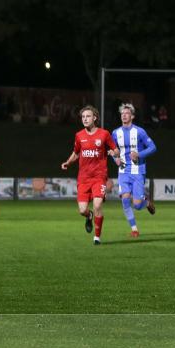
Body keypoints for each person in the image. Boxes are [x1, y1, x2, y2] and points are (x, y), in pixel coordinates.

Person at [61, 105, 118, 245]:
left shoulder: (104, 134)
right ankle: (89, 216)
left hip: (99, 177)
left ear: (95, 118)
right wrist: (68, 163)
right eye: (83, 117)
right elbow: (76, 153)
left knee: (97, 204)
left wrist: (113, 153)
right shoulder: (79, 135)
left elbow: (116, 150)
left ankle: (97, 237)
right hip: (83, 178)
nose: (85, 119)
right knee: (82, 210)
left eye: (88, 116)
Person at [111, 103, 157, 237]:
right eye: (122, 114)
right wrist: (116, 159)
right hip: (123, 170)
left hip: (138, 171)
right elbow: (114, 152)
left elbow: (153, 147)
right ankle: (134, 229)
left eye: (126, 113)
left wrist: (139, 154)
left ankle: (146, 202)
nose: (124, 115)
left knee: (137, 205)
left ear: (132, 116)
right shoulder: (115, 133)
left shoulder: (140, 132)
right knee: (125, 199)